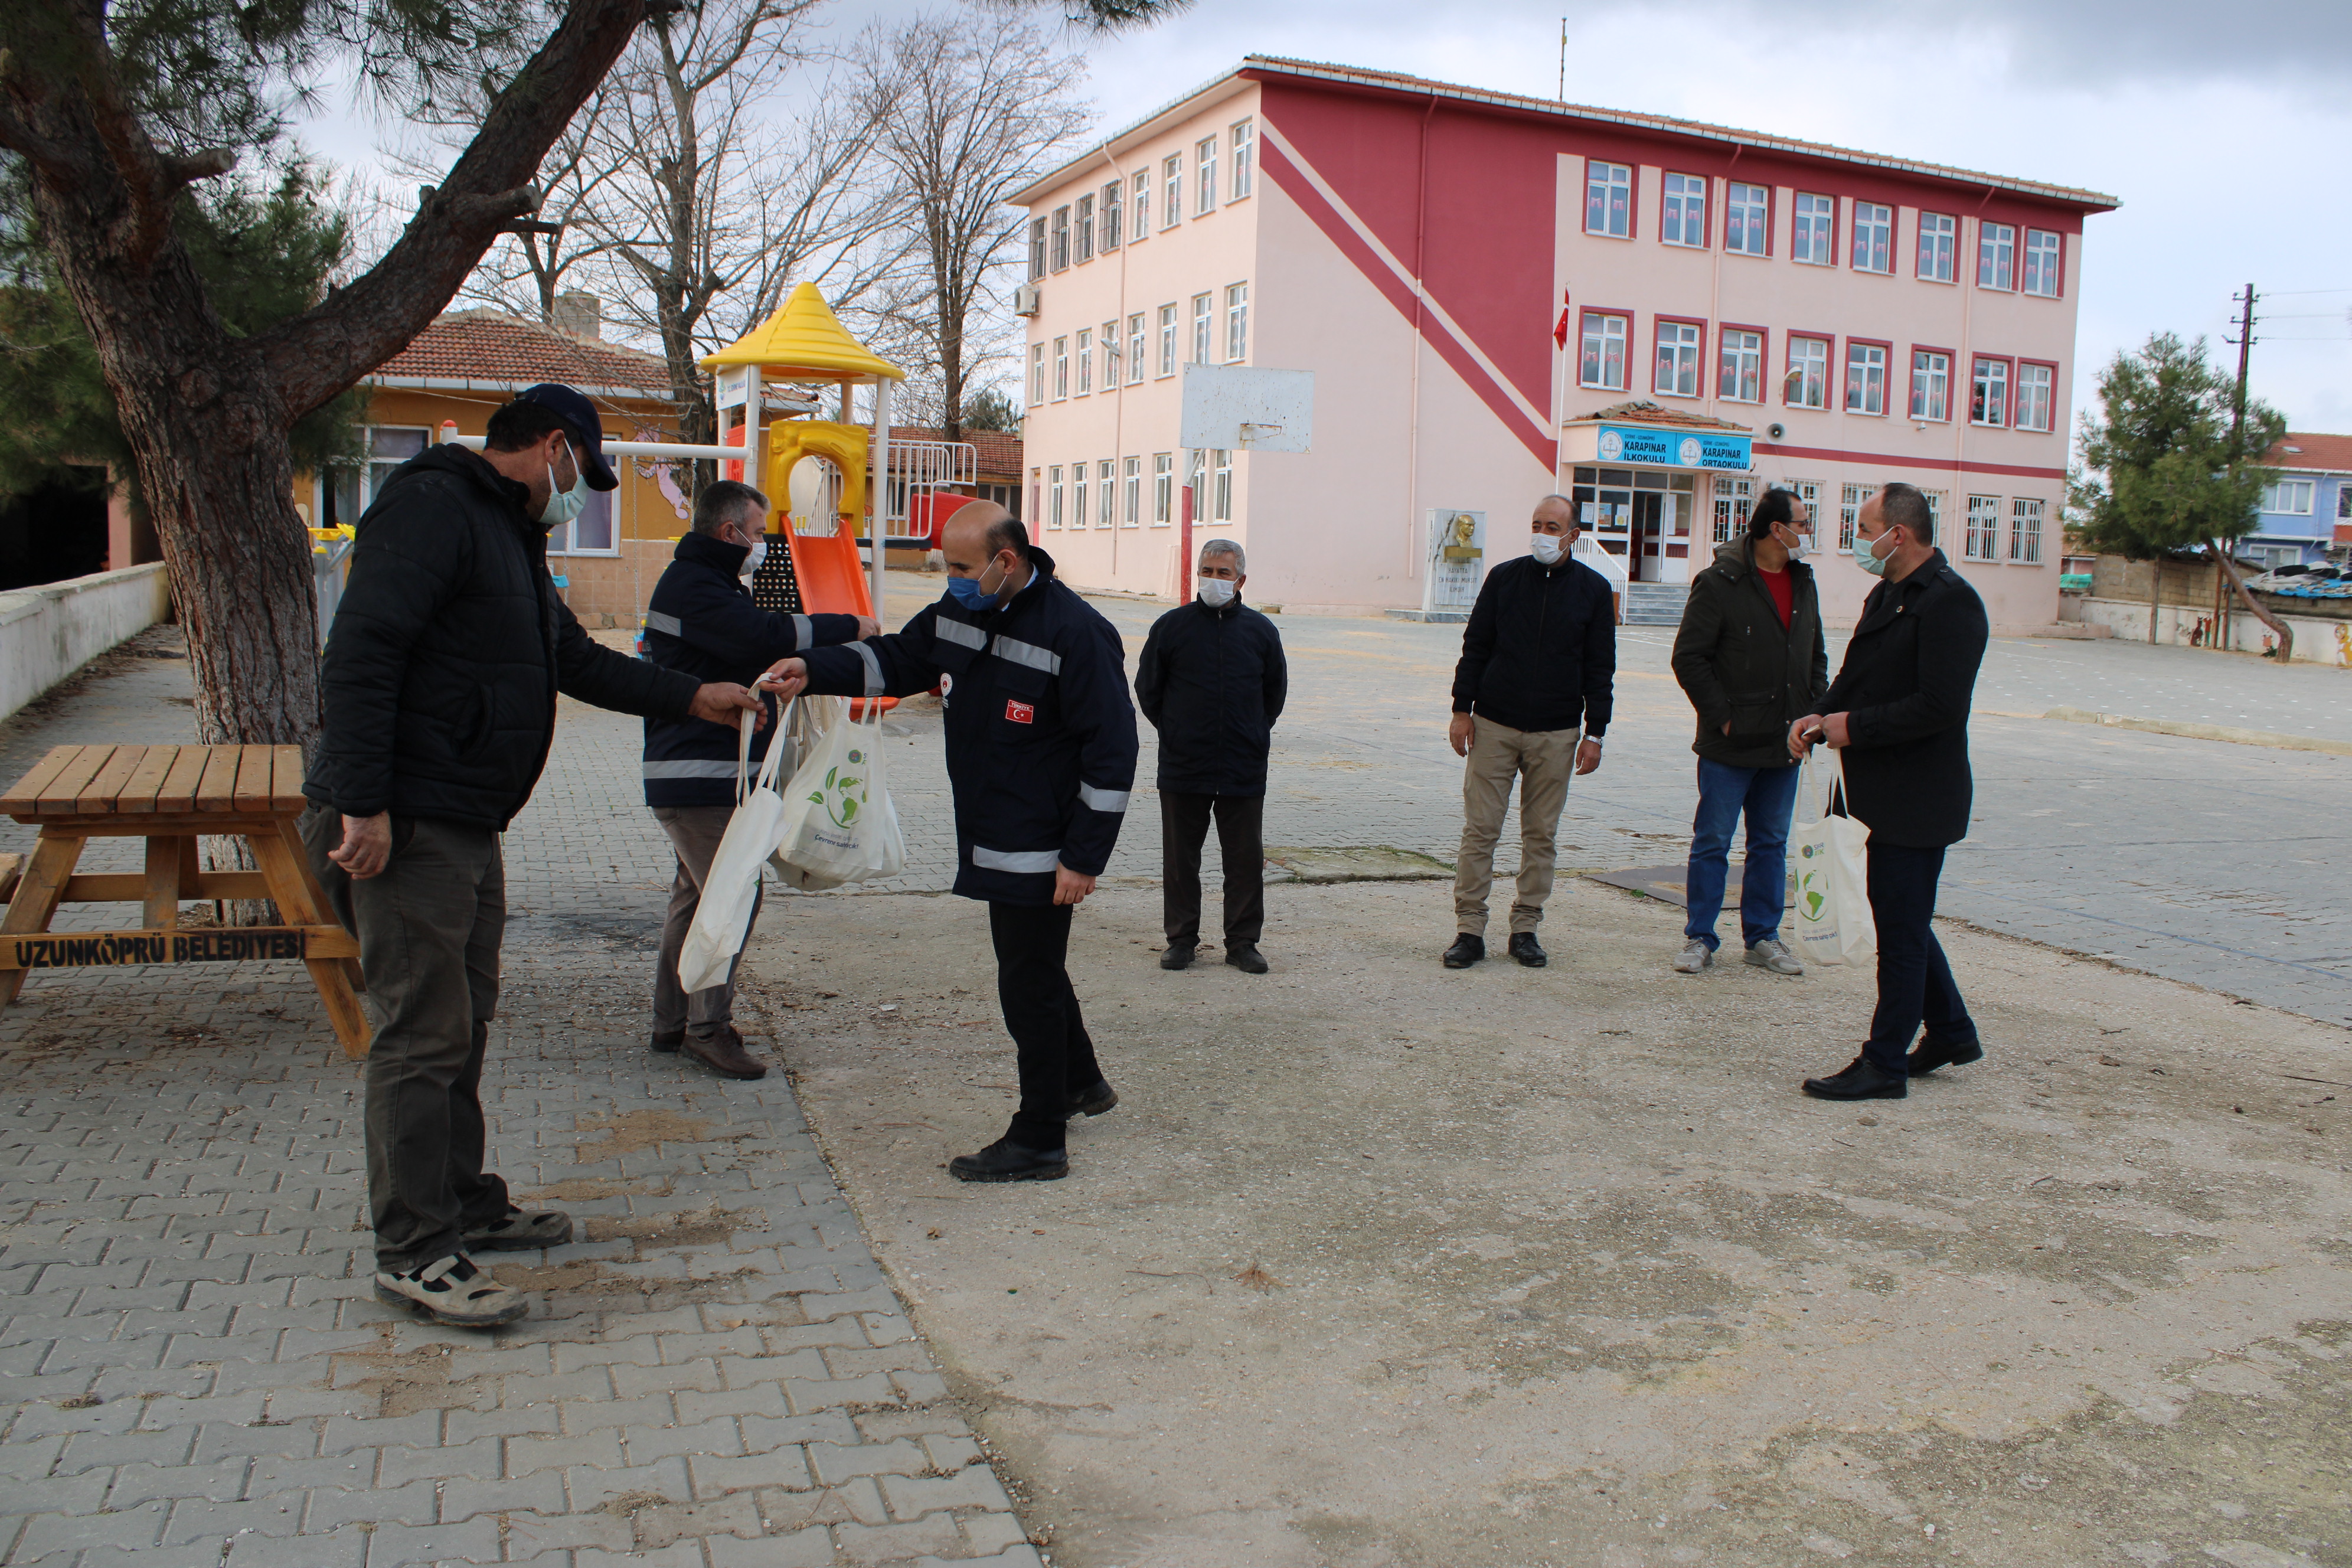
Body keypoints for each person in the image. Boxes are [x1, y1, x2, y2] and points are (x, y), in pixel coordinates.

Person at [302, 384, 765, 1327]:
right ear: (554, 446)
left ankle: (463, 1200)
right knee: (419, 1032)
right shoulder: (433, 510)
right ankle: (416, 1250)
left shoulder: (508, 534)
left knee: (463, 1019)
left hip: (467, 817)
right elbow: (361, 655)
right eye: (582, 475)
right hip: (410, 819)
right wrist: (364, 803)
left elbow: (576, 660)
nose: (578, 495)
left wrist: (692, 697)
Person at [763, 504, 1137, 1182]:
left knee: (1028, 982)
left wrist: (1084, 857)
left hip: (1040, 846)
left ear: (1008, 561)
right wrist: (811, 669)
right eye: (948, 567)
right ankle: (1081, 1082)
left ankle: (1040, 1138)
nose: (952, 579)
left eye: (962, 567)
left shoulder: (1078, 633)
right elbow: (901, 658)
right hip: (993, 830)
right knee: (1038, 971)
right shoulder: (963, 611)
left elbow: (1112, 753)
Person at [639, 479, 877, 1080]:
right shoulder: (697, 587)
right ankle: (706, 1028)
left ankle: (673, 1021)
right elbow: (763, 639)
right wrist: (851, 625)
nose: (763, 544)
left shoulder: (709, 582)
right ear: (731, 533)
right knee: (734, 893)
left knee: (696, 897)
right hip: (698, 775)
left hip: (701, 774)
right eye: (759, 532)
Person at [1789, 482, 1988, 1100]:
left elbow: (1939, 706)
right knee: (1902, 918)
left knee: (1899, 934)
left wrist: (1855, 728)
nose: (1858, 536)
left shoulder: (1952, 603)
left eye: (1865, 524)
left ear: (1897, 534)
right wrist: (1818, 714)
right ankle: (1952, 1031)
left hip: (1920, 797)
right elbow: (1856, 675)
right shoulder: (1889, 593)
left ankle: (1884, 1062)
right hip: (1879, 792)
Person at [1443, 494, 1615, 969]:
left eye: (1553, 525)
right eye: (1537, 523)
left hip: (1557, 732)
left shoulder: (1594, 591)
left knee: (1540, 834)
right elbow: (1475, 645)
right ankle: (1469, 930)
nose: (1543, 532)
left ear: (1573, 535)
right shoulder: (1504, 578)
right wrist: (1462, 710)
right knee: (1481, 831)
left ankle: (1525, 928)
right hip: (1494, 724)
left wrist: (1595, 733)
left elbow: (1601, 668)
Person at [1669, 488, 1827, 977]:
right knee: (1713, 840)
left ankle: (1763, 937)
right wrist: (1724, 716)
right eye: (1802, 524)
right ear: (1776, 530)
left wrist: (1814, 711)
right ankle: (1700, 937)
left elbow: (1814, 654)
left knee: (1770, 843)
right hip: (1729, 742)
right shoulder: (1720, 581)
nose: (1808, 533)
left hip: (1785, 740)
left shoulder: (1803, 582)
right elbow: (1689, 657)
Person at [1135, 539, 1288, 975]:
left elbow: (1273, 693)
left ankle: (1242, 943)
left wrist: (1254, 732)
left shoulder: (1261, 632)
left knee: (1243, 860)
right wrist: (1178, 730)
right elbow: (1149, 689)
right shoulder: (1171, 627)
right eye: (1207, 571)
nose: (1214, 580)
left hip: (1243, 765)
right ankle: (1181, 940)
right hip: (1185, 764)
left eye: (1223, 573)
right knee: (1181, 859)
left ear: (1241, 580)